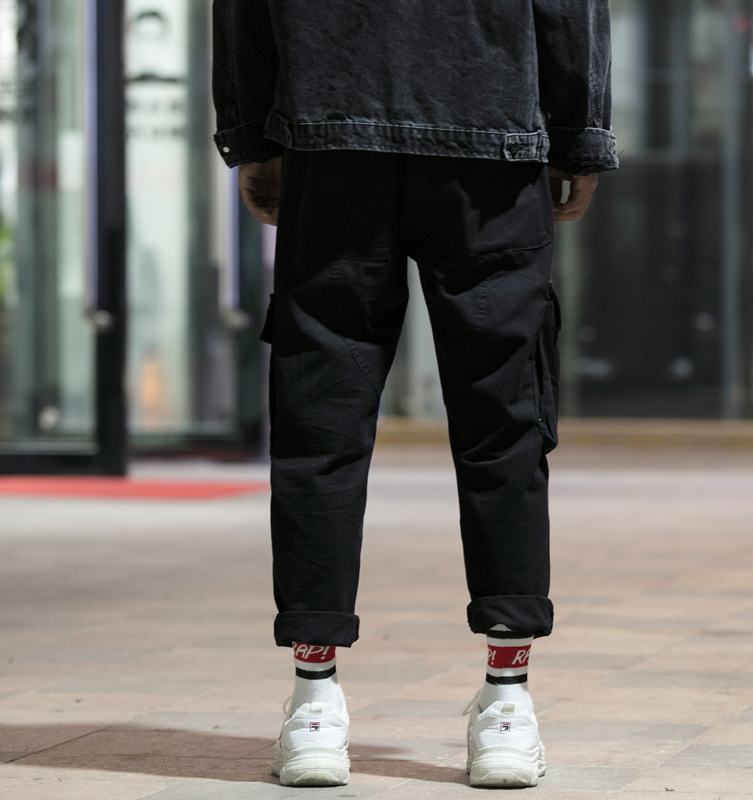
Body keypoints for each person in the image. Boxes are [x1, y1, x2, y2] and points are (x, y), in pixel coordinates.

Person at [213, 0, 617, 788]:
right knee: (504, 421)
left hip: (333, 129)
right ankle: (506, 703)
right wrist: (578, 134)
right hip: (492, 129)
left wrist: (252, 134)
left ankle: (315, 704)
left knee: (320, 421)